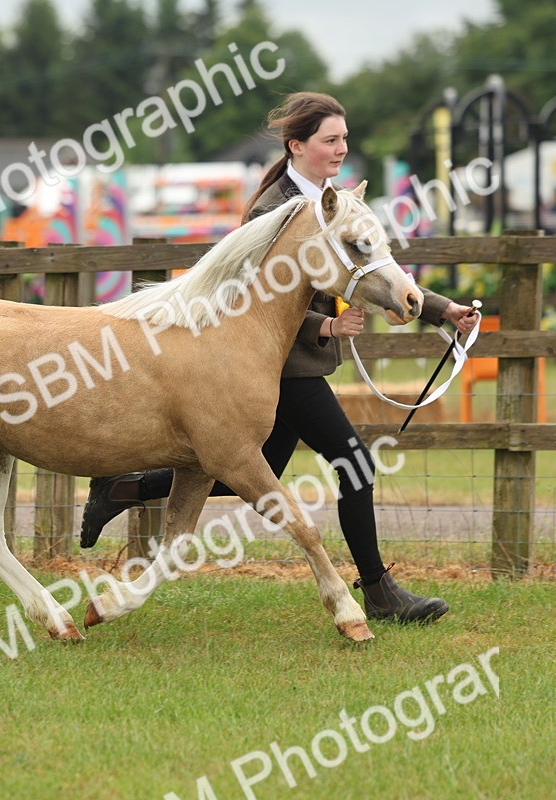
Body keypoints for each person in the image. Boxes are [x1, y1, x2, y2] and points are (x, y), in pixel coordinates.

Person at [80, 92, 479, 624]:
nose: (341, 149)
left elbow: (374, 264)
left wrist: (439, 309)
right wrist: (327, 325)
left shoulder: (332, 199)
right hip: (274, 367)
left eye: (344, 139)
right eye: (329, 140)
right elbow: (253, 297)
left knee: (248, 473)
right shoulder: (274, 208)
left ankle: (127, 485)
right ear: (298, 146)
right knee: (353, 463)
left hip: (297, 365)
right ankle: (379, 593)